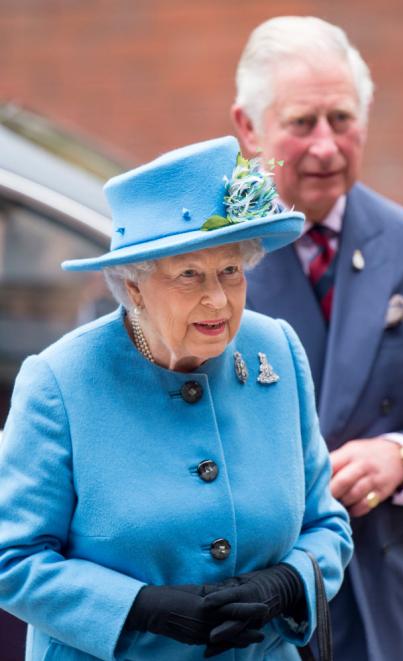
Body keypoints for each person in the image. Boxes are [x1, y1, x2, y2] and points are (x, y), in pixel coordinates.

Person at [0, 136, 353, 661]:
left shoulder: (275, 349)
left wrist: (287, 583)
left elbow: (327, 525)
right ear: (135, 286)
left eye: (230, 271)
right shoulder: (60, 382)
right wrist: (139, 607)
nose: (218, 299)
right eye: (189, 275)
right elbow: (13, 560)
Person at [231, 15, 403, 661]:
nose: (326, 146)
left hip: (382, 610)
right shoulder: (199, 259)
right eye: (301, 124)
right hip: (246, 611)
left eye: (342, 119)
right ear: (248, 127)